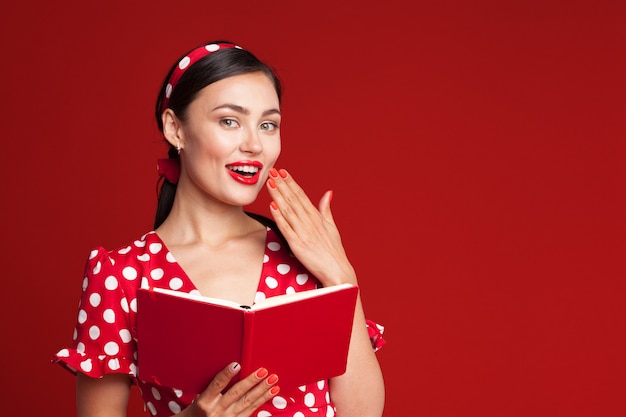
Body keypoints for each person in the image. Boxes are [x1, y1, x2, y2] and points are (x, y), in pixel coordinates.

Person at [53, 40, 386, 417]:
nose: (254, 144)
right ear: (175, 129)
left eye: (268, 124)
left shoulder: (304, 255)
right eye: (229, 120)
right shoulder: (121, 276)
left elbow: (363, 413)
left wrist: (341, 274)